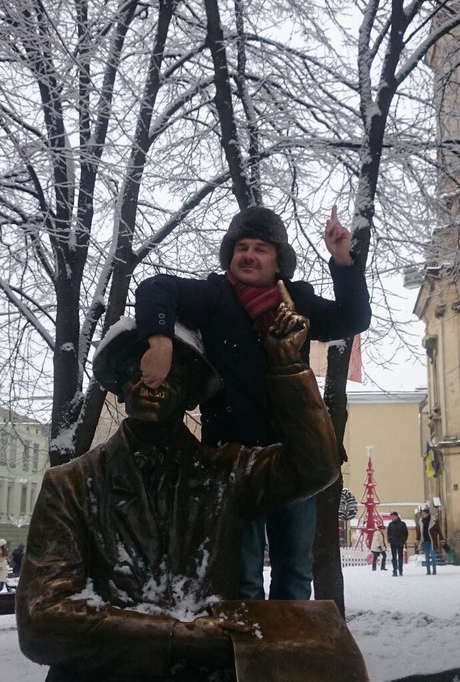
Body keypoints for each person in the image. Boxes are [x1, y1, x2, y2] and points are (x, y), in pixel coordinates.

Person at [17, 289, 339, 681]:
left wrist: (287, 364)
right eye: (139, 370)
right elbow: (41, 620)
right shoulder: (70, 485)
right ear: (120, 387)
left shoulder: (226, 474)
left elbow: (315, 466)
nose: (152, 383)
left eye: (172, 375)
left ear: (191, 396)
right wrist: (176, 636)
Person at [135, 205, 371, 602]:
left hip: (296, 455)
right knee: (241, 578)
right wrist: (159, 342)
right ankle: (247, 645)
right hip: (233, 460)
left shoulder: (296, 300)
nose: (248, 255)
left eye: (260, 248)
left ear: (279, 261)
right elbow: (156, 288)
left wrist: (343, 259)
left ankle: (286, 642)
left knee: (295, 576)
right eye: (241, 247)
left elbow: (353, 317)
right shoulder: (215, 296)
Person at [385, 512, 407, 577]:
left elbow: (405, 533)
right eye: (391, 516)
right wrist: (390, 539)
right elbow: (388, 533)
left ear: (397, 516)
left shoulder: (402, 524)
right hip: (393, 543)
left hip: (400, 543)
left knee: (400, 557)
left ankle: (400, 570)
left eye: (393, 516)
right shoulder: (390, 524)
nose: (392, 518)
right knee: (394, 557)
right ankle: (395, 571)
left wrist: (403, 541)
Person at [417, 508, 437, 575]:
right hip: (425, 541)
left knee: (433, 556)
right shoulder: (421, 521)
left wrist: (442, 539)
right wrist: (418, 539)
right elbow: (419, 531)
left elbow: (438, 530)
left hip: (432, 541)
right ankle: (428, 570)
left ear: (427, 514)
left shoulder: (433, 520)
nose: (422, 515)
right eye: (422, 514)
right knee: (427, 557)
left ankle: (434, 570)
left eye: (423, 513)